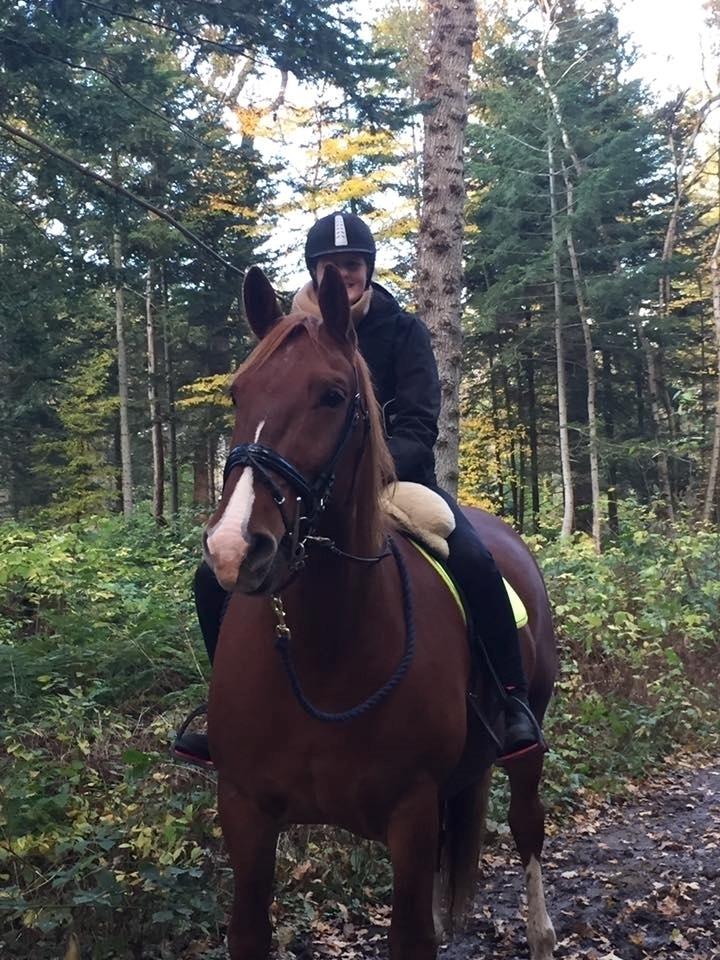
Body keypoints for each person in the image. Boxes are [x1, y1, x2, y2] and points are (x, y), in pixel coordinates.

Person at [174, 211, 542, 767]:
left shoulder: (403, 332)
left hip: (394, 484)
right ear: (314, 271)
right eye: (330, 265)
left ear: (366, 270)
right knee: (211, 579)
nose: (342, 274)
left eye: (352, 265)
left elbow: (420, 425)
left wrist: (371, 470)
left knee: (472, 558)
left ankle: (512, 700)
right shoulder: (285, 337)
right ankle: (221, 706)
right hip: (302, 484)